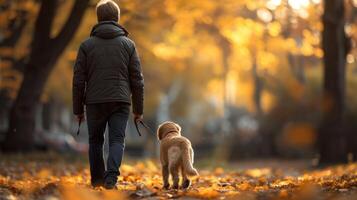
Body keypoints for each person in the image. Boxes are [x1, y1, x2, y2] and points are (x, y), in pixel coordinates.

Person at [72, 0, 144, 189]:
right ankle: (111, 177)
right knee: (117, 139)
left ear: (98, 18)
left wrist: (78, 109)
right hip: (120, 101)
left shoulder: (86, 45)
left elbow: (78, 80)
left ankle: (97, 181)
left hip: (94, 101)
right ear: (117, 18)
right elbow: (137, 79)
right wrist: (138, 110)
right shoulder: (129, 45)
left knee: (95, 140)